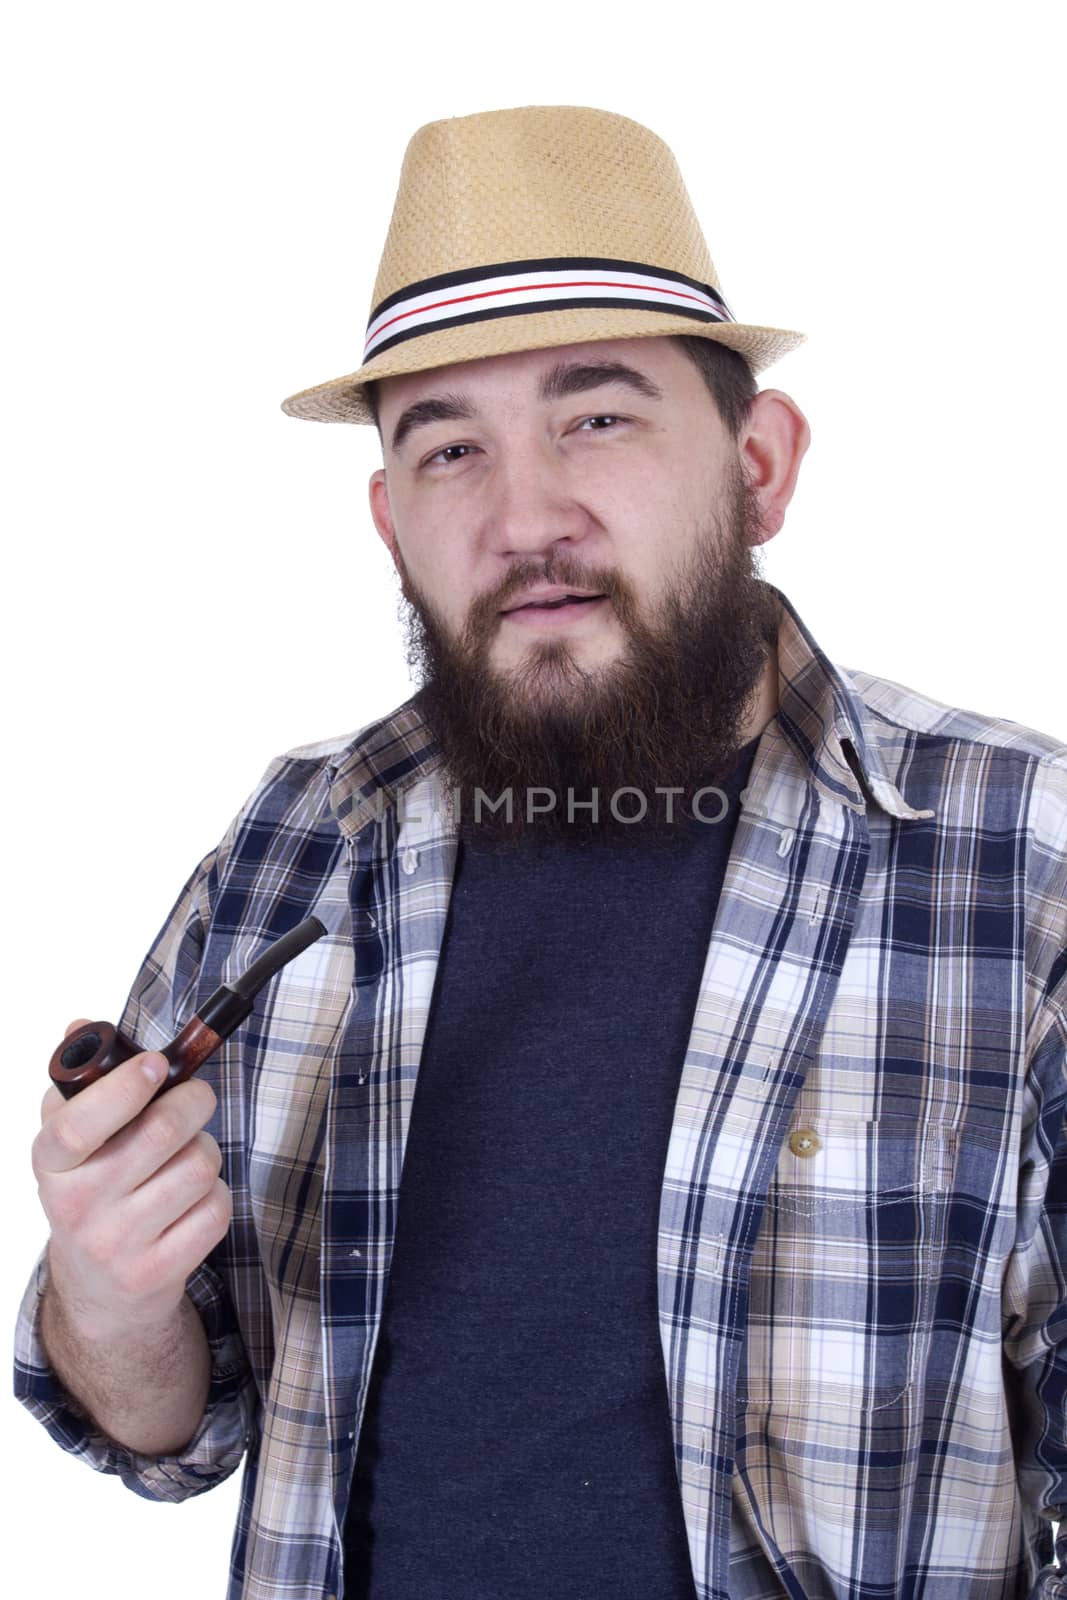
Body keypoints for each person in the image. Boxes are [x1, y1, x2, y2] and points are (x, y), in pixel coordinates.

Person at [14, 103, 1067, 1600]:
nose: (528, 516)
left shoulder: (1020, 863)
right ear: (390, 522)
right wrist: (113, 1298)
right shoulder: (294, 845)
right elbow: (165, 1429)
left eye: (598, 416)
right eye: (450, 447)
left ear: (759, 465)